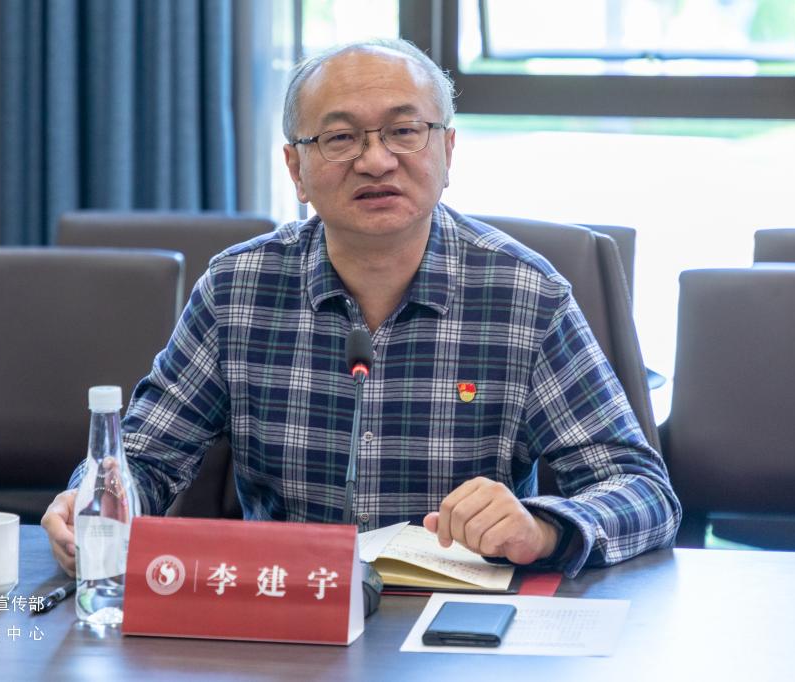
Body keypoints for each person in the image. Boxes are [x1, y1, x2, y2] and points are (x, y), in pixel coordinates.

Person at [43, 38, 680, 580]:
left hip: (452, 621)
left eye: (404, 131)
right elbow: (145, 457)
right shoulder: (237, 289)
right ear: (296, 169)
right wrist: (94, 503)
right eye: (341, 137)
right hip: (285, 609)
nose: (376, 161)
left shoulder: (524, 295)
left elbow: (643, 491)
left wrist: (543, 529)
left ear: (447, 151)